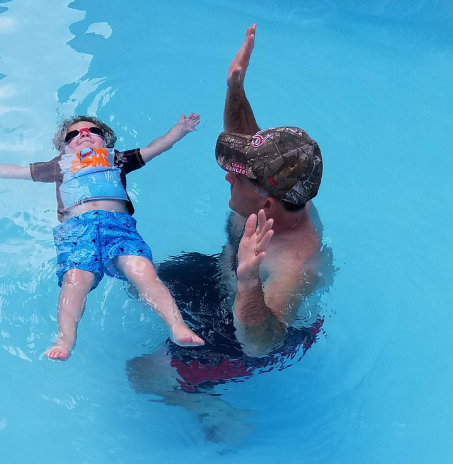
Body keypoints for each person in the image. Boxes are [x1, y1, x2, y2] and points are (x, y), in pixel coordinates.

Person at [126, 24, 334, 442]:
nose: (227, 177)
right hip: (230, 276)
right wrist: (235, 86)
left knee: (140, 373)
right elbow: (246, 142)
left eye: (237, 178)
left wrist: (247, 281)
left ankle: (213, 409)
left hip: (251, 331)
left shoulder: (293, 264)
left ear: (266, 205)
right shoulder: (283, 189)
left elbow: (263, 343)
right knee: (140, 282)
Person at [0, 114, 205, 361]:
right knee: (76, 279)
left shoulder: (116, 159)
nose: (84, 134)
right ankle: (65, 338)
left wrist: (179, 129)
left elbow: (154, 148)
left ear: (105, 140)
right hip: (77, 228)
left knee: (143, 271)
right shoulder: (59, 165)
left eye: (92, 131)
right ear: (64, 146)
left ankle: (177, 326)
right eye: (74, 134)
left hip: (118, 226)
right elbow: (18, 171)